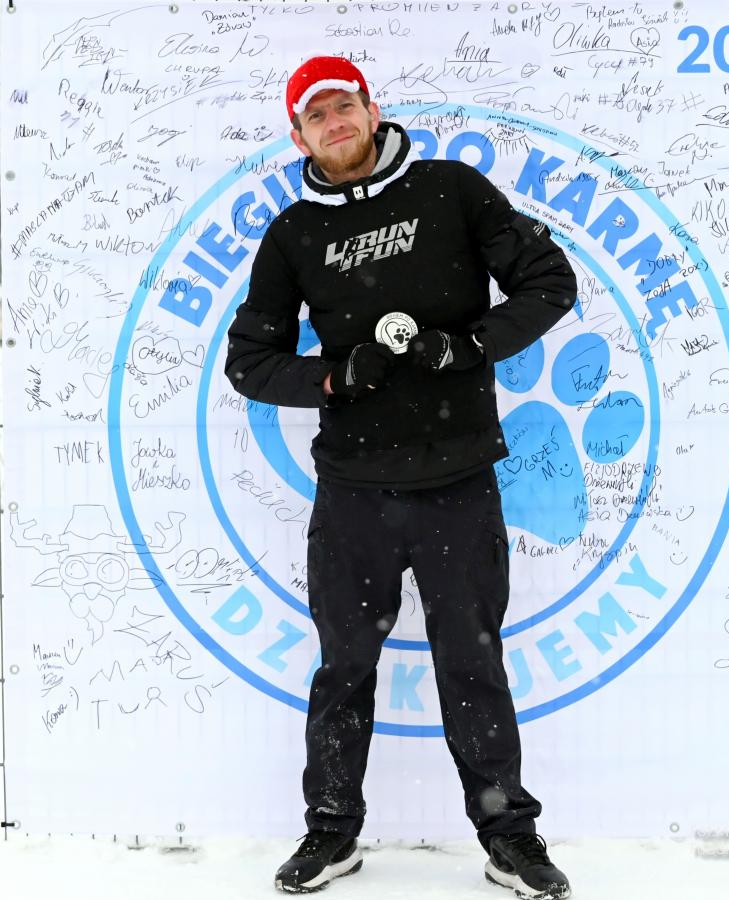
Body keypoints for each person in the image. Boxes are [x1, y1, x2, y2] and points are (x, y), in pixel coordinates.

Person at [225, 56, 578, 899]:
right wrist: (332, 378)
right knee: (343, 667)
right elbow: (250, 361)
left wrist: (472, 345)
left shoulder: (452, 190)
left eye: (344, 104)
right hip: (354, 491)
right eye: (316, 115)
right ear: (298, 137)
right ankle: (331, 830)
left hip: (459, 478)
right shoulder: (292, 234)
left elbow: (550, 282)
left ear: (372, 108)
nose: (335, 122)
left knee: (473, 664)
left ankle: (509, 837)